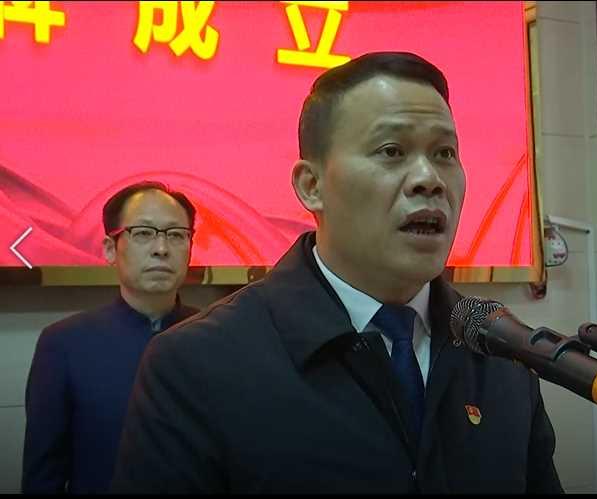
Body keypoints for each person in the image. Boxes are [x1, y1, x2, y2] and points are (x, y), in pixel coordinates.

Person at [111, 52, 563, 494]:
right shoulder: (197, 363)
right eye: (392, 151)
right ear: (312, 186)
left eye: (445, 153)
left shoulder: (501, 354)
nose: (429, 179)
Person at [21, 181, 200, 494]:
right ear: (109, 249)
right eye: (143, 233)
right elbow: (43, 476)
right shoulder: (63, 345)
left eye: (176, 234)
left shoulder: (218, 336)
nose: (161, 249)